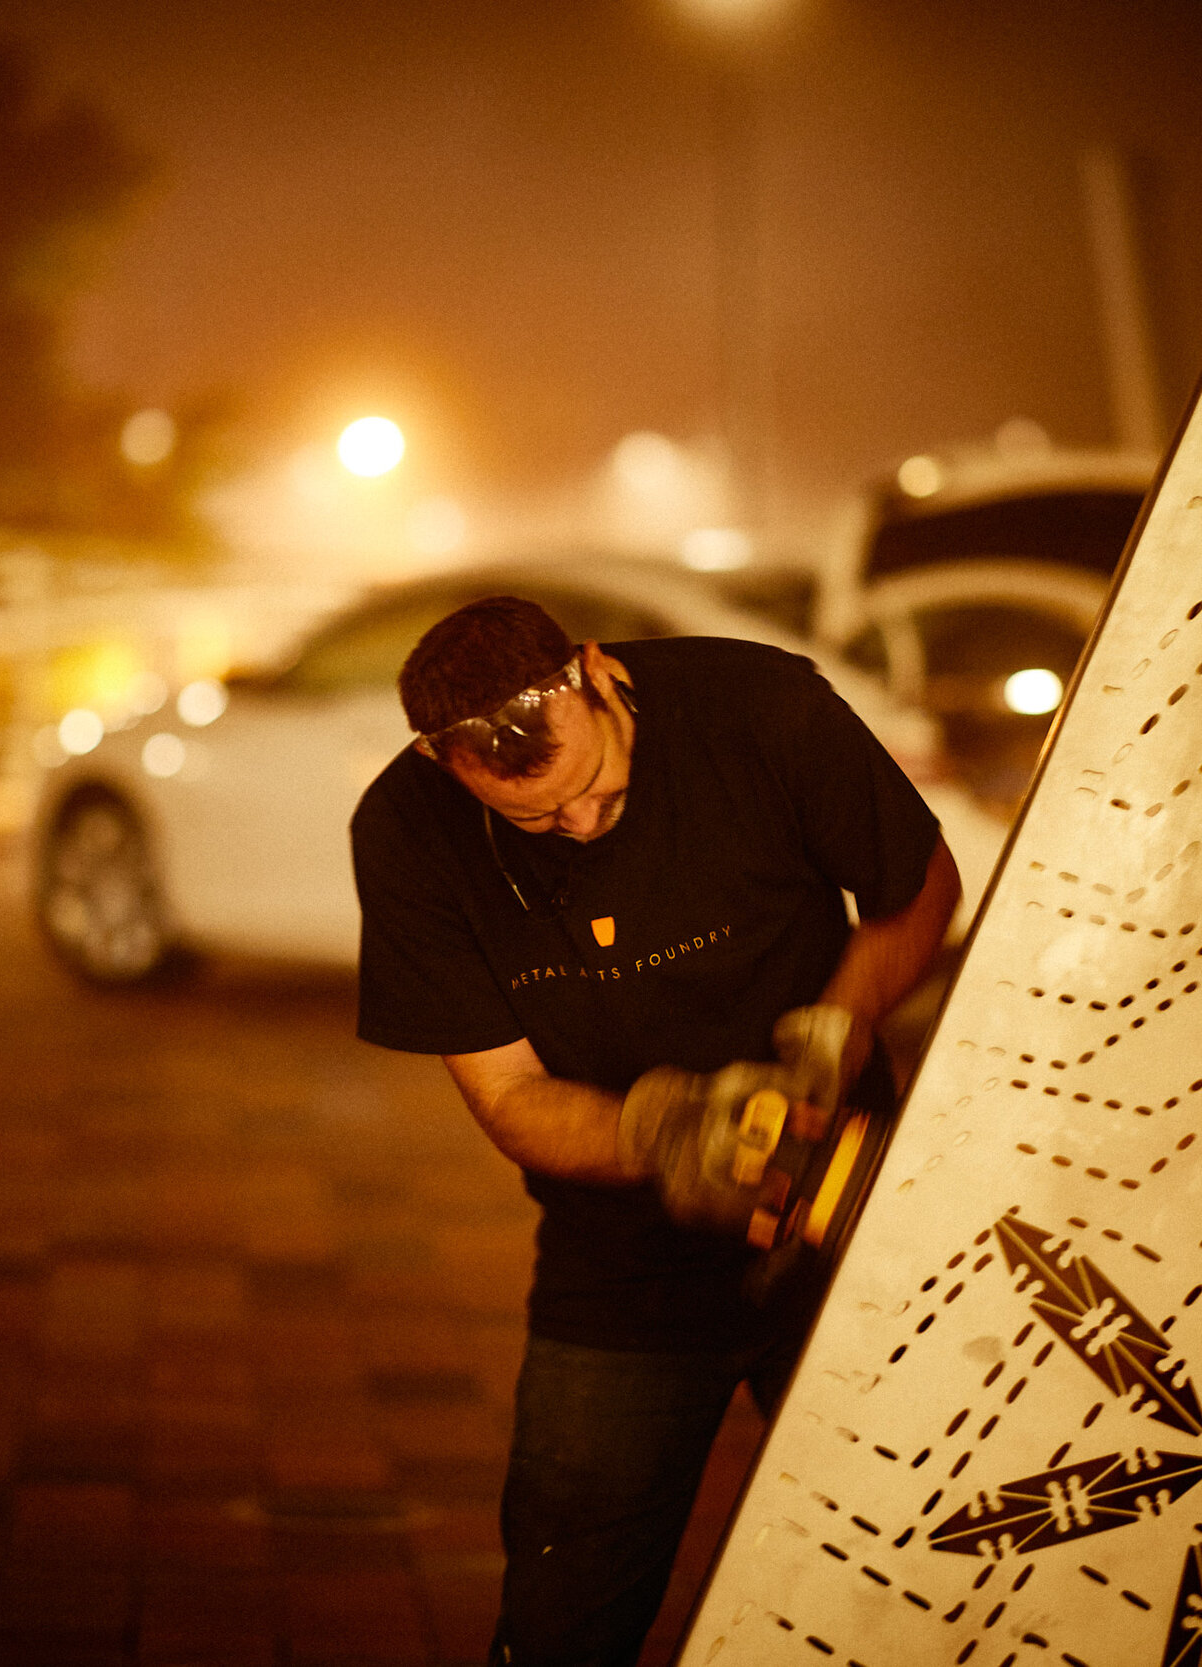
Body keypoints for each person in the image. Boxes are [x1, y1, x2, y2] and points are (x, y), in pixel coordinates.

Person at [351, 596, 960, 1666]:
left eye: (598, 787)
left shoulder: (758, 708)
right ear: (445, 764)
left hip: (847, 1213)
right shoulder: (405, 830)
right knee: (561, 1619)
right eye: (536, 820)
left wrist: (837, 1025)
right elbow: (506, 1097)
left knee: (932, 1553)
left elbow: (919, 889)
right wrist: (670, 1129)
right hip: (618, 1267)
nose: (580, 826)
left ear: (597, 673)